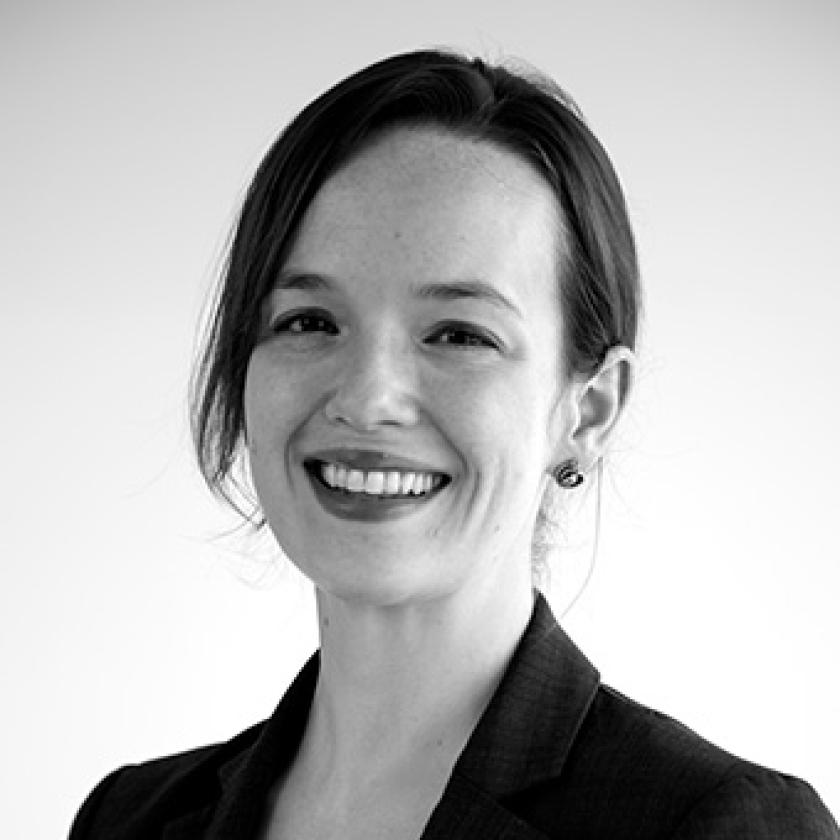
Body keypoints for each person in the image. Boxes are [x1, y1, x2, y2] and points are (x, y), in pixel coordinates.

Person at [70, 48, 838, 839]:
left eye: (460, 335)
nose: (367, 398)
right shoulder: (130, 819)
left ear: (590, 409)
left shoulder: (722, 825)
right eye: (309, 322)